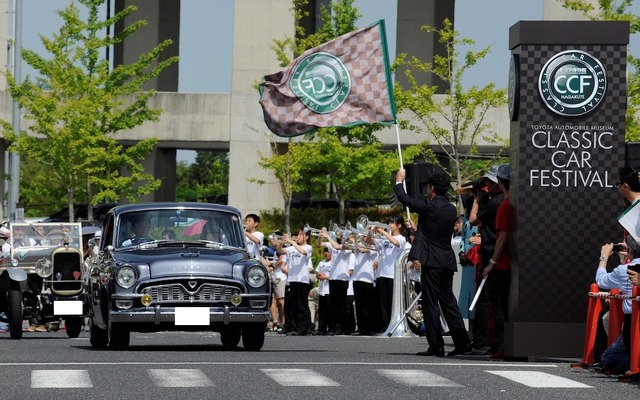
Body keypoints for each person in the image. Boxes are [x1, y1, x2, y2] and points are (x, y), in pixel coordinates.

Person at [394, 169, 472, 357]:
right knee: (449, 303)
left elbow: (405, 199)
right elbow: (433, 227)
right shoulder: (451, 208)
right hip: (446, 260)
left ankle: (436, 346)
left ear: (432, 188)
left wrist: (399, 181)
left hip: (432, 261)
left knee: (430, 304)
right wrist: (418, 226)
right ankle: (462, 343)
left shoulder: (429, 205)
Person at [467, 164, 505, 355]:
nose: (488, 185)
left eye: (491, 182)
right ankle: (497, 343)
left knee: (484, 300)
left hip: (491, 255)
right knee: (496, 302)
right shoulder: (502, 202)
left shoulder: (493, 204)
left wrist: (476, 201)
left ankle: (482, 343)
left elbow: (473, 220)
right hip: (496, 255)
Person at [480, 163, 513, 360]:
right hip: (514, 263)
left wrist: (492, 261)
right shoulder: (514, 205)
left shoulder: (504, 206)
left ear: (500, 183)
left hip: (503, 263)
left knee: (500, 307)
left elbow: (502, 238)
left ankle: (502, 345)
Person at [596, 236, 638, 375]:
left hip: (631, 322)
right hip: (631, 320)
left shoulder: (624, 269)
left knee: (608, 359)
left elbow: (601, 281)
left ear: (630, 250)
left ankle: (633, 363)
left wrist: (604, 257)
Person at [372, 215, 407, 333]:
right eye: (389, 222)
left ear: (399, 225)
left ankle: (393, 326)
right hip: (382, 274)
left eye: (392, 223)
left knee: (391, 302)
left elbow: (396, 243)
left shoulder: (401, 238)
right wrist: (371, 231)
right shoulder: (384, 239)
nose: (389, 225)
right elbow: (369, 243)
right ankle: (384, 326)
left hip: (393, 275)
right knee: (383, 303)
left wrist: (383, 232)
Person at [318, 227, 354, 335]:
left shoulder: (348, 245)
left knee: (341, 305)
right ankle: (333, 327)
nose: (338, 234)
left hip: (342, 278)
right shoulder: (332, 243)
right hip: (333, 277)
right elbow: (320, 244)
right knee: (333, 305)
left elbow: (338, 247)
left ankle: (341, 327)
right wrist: (321, 235)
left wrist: (328, 236)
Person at [276, 228, 312, 335]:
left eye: (300, 235)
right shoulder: (291, 249)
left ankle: (302, 328)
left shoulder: (308, 247)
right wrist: (282, 242)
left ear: (306, 237)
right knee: (291, 306)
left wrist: (291, 241)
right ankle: (292, 327)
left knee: (302, 306)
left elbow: (303, 252)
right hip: (292, 279)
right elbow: (280, 251)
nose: (297, 237)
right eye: (297, 235)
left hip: (302, 280)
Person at [314, 247, 332, 335]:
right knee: (322, 310)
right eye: (326, 252)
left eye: (329, 252)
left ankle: (330, 327)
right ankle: (322, 328)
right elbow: (317, 273)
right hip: (322, 289)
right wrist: (319, 276)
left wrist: (326, 277)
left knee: (329, 310)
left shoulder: (334, 263)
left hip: (330, 289)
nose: (327, 253)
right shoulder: (322, 263)